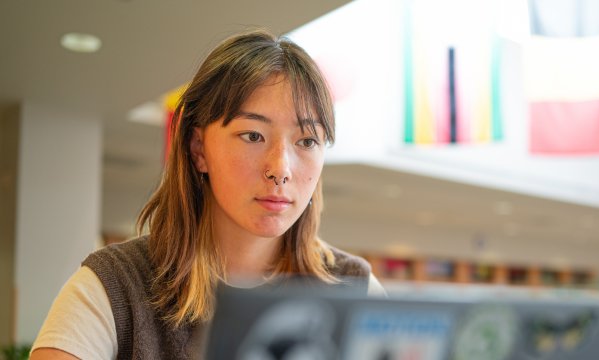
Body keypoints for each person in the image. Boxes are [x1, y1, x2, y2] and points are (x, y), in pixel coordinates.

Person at [30, 29, 385, 360]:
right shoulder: (116, 287)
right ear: (199, 148)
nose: (281, 168)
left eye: (307, 141)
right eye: (253, 136)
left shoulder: (353, 287)